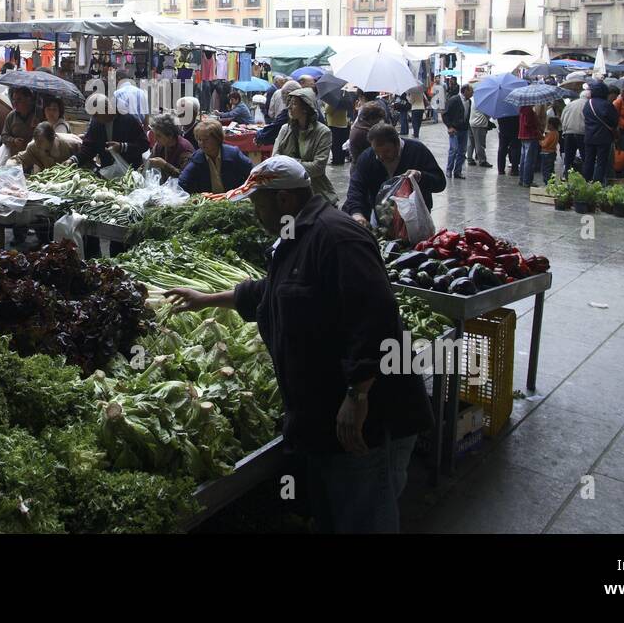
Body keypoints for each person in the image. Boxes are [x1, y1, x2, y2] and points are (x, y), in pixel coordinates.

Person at [165, 155, 432, 533]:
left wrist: (357, 396)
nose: (255, 214)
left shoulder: (337, 237)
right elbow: (272, 292)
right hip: (323, 418)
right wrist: (207, 298)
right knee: (334, 515)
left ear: (285, 200)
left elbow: (378, 318)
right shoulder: (296, 235)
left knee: (363, 516)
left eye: (258, 204)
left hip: (369, 423)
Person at [343, 122, 447, 225]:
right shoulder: (367, 157)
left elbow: (440, 183)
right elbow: (356, 187)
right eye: (377, 152)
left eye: (387, 151)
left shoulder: (417, 151)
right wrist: (356, 213)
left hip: (415, 219)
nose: (381, 157)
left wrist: (420, 176)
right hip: (382, 218)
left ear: (397, 143)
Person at [273, 87, 336, 205]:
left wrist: (288, 164)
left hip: (316, 191)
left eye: (294, 104)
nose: (289, 107)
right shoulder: (285, 129)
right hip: (287, 189)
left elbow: (318, 168)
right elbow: (275, 158)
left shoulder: (323, 132)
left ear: (306, 108)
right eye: (289, 103)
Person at [76, 92, 149, 171]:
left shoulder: (128, 119)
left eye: (96, 115)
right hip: (108, 171)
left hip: (130, 171)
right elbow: (89, 147)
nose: (95, 118)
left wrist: (122, 147)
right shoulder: (96, 123)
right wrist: (74, 159)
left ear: (106, 108)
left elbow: (144, 145)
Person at [178, 118, 254, 195]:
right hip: (210, 202)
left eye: (206, 139)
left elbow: (252, 173)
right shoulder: (197, 158)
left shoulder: (233, 154)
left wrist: (243, 191)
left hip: (234, 198)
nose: (202, 143)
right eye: (199, 140)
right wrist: (197, 195)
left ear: (217, 138)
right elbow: (183, 182)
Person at [581, 79, 619, 186]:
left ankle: (585, 182)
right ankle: (597, 184)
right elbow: (614, 120)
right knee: (601, 162)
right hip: (603, 138)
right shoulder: (606, 105)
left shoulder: (588, 104)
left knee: (589, 161)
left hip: (589, 137)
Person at [11, 120, 78, 174]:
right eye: (36, 139)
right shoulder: (34, 147)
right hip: (49, 182)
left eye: (41, 141)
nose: (37, 144)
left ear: (52, 138)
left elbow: (84, 152)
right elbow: (20, 159)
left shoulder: (71, 144)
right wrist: (10, 166)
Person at [147, 111, 194, 181]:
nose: (155, 138)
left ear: (170, 136)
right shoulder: (159, 145)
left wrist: (164, 165)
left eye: (159, 136)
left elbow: (185, 176)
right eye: (155, 135)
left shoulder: (184, 149)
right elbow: (150, 162)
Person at [443, 84, 470, 180]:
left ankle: (457, 171)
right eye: (471, 91)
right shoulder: (454, 100)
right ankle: (449, 169)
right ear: (465, 91)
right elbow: (445, 114)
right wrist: (449, 127)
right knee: (453, 149)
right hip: (454, 129)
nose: (472, 93)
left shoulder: (469, 101)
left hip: (464, 130)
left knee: (462, 151)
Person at [560, 89, 589, 180]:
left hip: (568, 132)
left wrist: (564, 130)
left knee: (568, 157)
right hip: (582, 133)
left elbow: (562, 118)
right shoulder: (588, 105)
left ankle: (566, 175)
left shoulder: (570, 104)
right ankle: (586, 176)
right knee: (585, 156)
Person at [1, 87, 38, 156]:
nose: (15, 103)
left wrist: (37, 127)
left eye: (19, 99)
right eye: (13, 100)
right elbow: (4, 136)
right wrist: (13, 141)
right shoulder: (11, 116)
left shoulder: (37, 116)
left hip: (33, 155)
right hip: (15, 156)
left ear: (28, 99)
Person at [517, 101, 545, 187]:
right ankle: (527, 181)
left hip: (523, 136)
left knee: (524, 159)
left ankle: (522, 179)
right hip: (530, 136)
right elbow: (528, 123)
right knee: (529, 160)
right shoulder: (528, 110)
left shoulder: (522, 109)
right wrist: (537, 128)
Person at [324, 92, 353, 166]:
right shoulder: (345, 99)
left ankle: (336, 160)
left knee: (335, 145)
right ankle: (341, 159)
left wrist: (326, 104)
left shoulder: (334, 100)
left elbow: (328, 111)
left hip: (334, 124)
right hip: (343, 124)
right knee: (342, 144)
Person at [468, 93, 491, 168]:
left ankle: (469, 158)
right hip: (479, 124)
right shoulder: (482, 102)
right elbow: (488, 113)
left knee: (471, 142)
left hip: (472, 123)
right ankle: (482, 160)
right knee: (480, 144)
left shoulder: (474, 99)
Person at [495, 111, 521, 177]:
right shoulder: (515, 106)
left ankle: (501, 169)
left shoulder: (500, 107)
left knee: (502, 149)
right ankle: (514, 170)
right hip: (515, 130)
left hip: (503, 129)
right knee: (515, 149)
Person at [540, 116, 561, 185]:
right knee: (551, 169)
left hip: (547, 154)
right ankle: (551, 182)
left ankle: (548, 183)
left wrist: (540, 141)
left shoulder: (551, 134)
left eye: (548, 124)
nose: (547, 125)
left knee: (545, 170)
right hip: (552, 153)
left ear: (551, 125)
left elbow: (545, 144)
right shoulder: (556, 133)